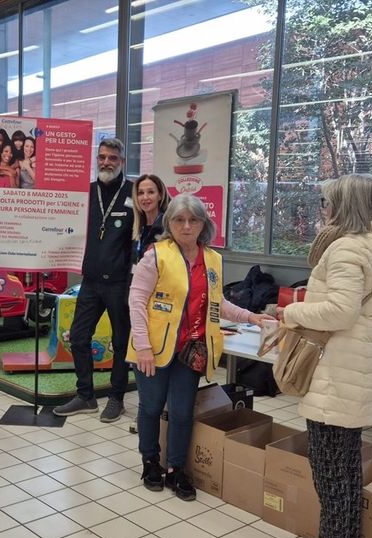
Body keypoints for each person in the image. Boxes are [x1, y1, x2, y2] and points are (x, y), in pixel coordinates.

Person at [274, 174, 372, 538]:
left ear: (347, 206)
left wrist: (290, 312)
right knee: (346, 464)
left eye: (328, 203)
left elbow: (341, 312)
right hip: (358, 368)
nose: (324, 210)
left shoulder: (348, 247)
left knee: (329, 468)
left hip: (336, 371)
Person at [129, 194, 275, 501]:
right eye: (179, 220)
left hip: (192, 349)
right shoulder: (156, 255)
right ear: (169, 223)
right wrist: (142, 347)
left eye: (193, 220)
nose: (186, 226)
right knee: (151, 407)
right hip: (153, 349)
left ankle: (176, 468)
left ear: (203, 224)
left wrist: (250, 317)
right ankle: (150, 462)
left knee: (182, 412)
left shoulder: (212, 259)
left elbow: (217, 302)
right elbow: (137, 301)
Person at [53, 138, 135, 422]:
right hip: (90, 281)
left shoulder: (134, 193)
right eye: (102, 157)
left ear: (122, 161)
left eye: (112, 158)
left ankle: (116, 398)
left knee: (121, 342)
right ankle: (86, 396)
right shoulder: (86, 193)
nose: (106, 162)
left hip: (120, 283)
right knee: (78, 337)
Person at [131, 174, 172, 264]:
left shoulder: (169, 227)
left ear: (160, 195)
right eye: (140, 193)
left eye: (150, 192)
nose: (145, 197)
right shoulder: (136, 227)